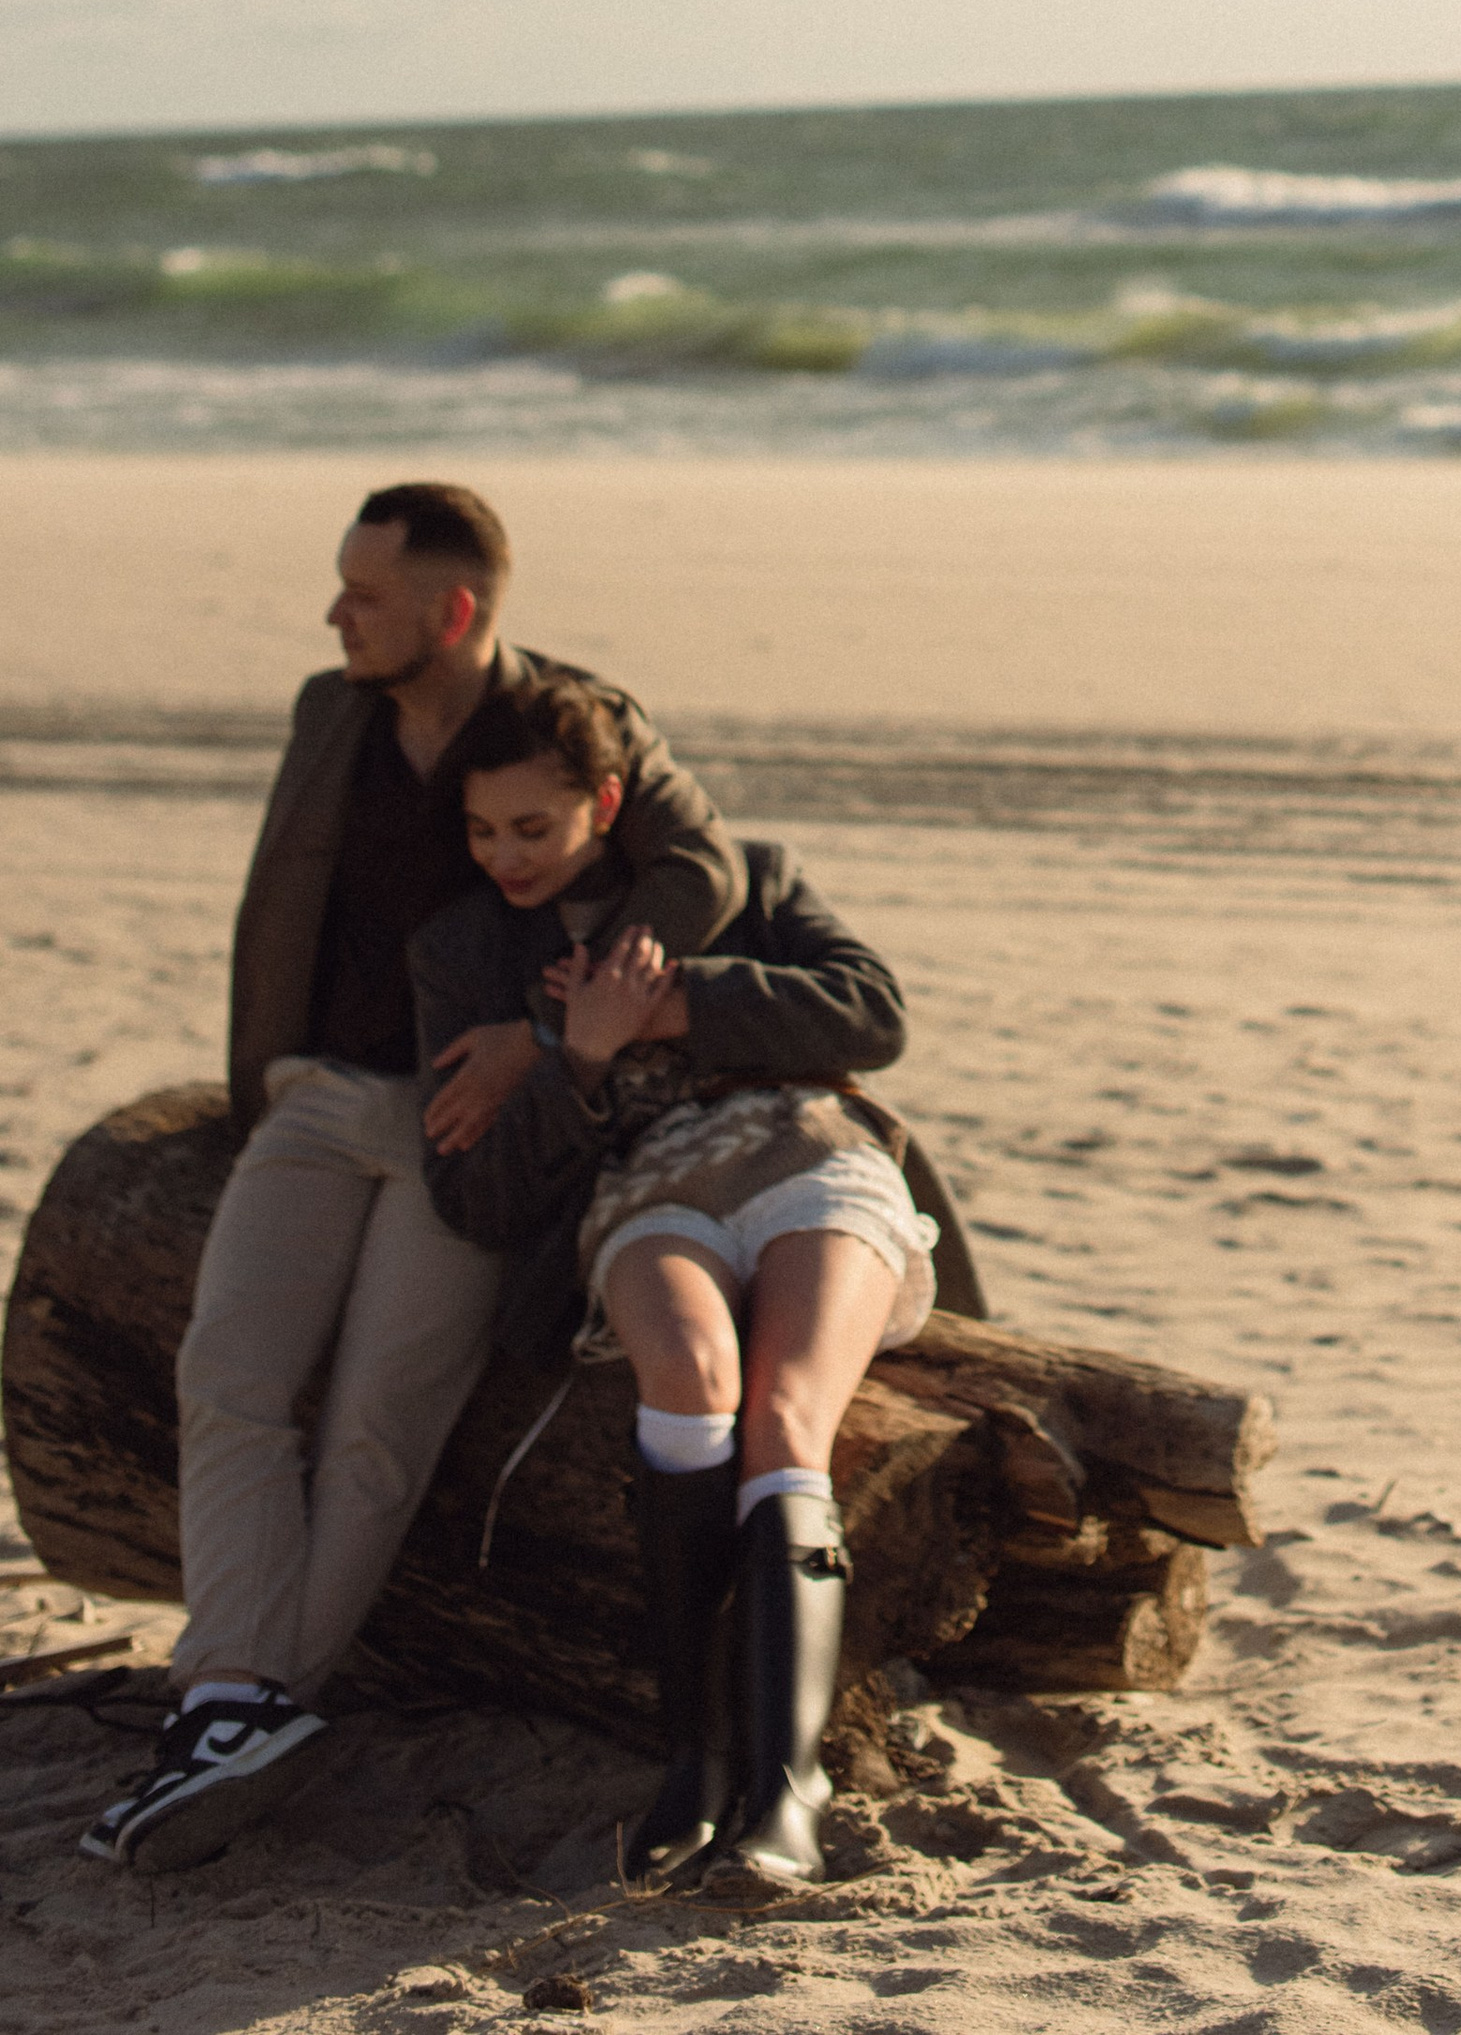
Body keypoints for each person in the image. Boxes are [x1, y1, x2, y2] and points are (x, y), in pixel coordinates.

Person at [85, 482, 743, 1879]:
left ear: (454, 609)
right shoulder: (333, 711)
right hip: (321, 1097)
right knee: (231, 1371)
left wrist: (552, 1032)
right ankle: (234, 1698)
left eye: (364, 593)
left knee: (385, 1414)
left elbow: (704, 866)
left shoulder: (574, 720)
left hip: (474, 1124)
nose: (336, 614)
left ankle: (247, 1698)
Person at [410, 681, 939, 1890]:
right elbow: (478, 1198)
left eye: (532, 829)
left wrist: (674, 1005)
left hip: (809, 1151)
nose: (504, 857)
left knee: (787, 1414)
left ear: (604, 801)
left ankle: (785, 1789)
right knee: (695, 1379)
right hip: (649, 1190)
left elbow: (874, 1012)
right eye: (483, 832)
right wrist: (573, 1057)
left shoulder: (747, 877)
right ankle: (692, 1766)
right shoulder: (463, 951)